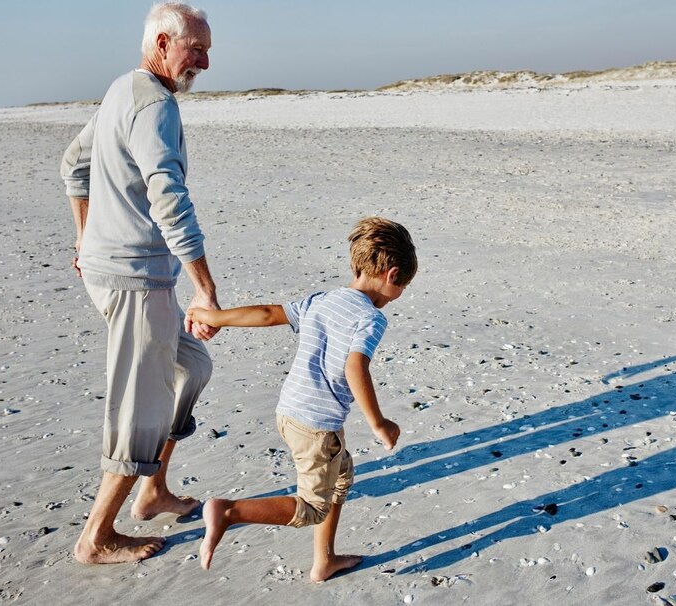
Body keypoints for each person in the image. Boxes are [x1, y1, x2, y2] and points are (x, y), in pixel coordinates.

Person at [59, 2, 220, 564]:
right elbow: (170, 200)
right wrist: (205, 290)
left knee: (192, 367)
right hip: (134, 279)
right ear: (159, 43)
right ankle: (95, 536)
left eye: (206, 50)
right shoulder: (153, 105)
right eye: (193, 48)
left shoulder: (122, 89)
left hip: (120, 271)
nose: (202, 60)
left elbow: (72, 164)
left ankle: (151, 489)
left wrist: (84, 238)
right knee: (140, 408)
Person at [189, 217, 418, 582]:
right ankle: (228, 512)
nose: (402, 292)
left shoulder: (322, 300)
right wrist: (379, 423)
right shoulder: (370, 319)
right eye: (405, 285)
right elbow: (355, 366)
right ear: (392, 276)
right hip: (317, 427)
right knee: (311, 507)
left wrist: (212, 316)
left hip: (289, 413)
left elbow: (267, 314)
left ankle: (323, 561)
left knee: (341, 476)